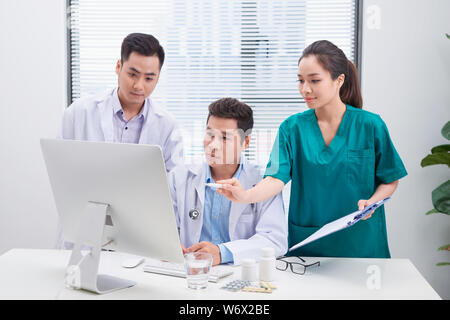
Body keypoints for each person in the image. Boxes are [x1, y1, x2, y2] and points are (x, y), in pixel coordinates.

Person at [216, 40, 408, 258]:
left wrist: (372, 203)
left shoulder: (370, 125)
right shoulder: (291, 128)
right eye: (300, 81)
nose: (305, 89)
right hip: (309, 247)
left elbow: (390, 178)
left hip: (362, 244)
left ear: (339, 80)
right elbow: (275, 178)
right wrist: (245, 195)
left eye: (314, 80)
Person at [168, 98, 287, 266]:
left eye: (224, 138)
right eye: (210, 134)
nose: (213, 145)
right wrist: (171, 246)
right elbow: (164, 229)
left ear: (245, 142)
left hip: (241, 274)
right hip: (190, 272)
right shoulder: (179, 177)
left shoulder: (262, 184)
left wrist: (223, 253)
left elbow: (275, 240)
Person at [60, 33, 183, 172]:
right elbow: (60, 166)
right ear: (119, 66)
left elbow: (174, 182)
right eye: (132, 74)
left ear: (158, 77)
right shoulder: (79, 112)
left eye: (148, 78)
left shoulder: (167, 125)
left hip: (142, 194)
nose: (138, 86)